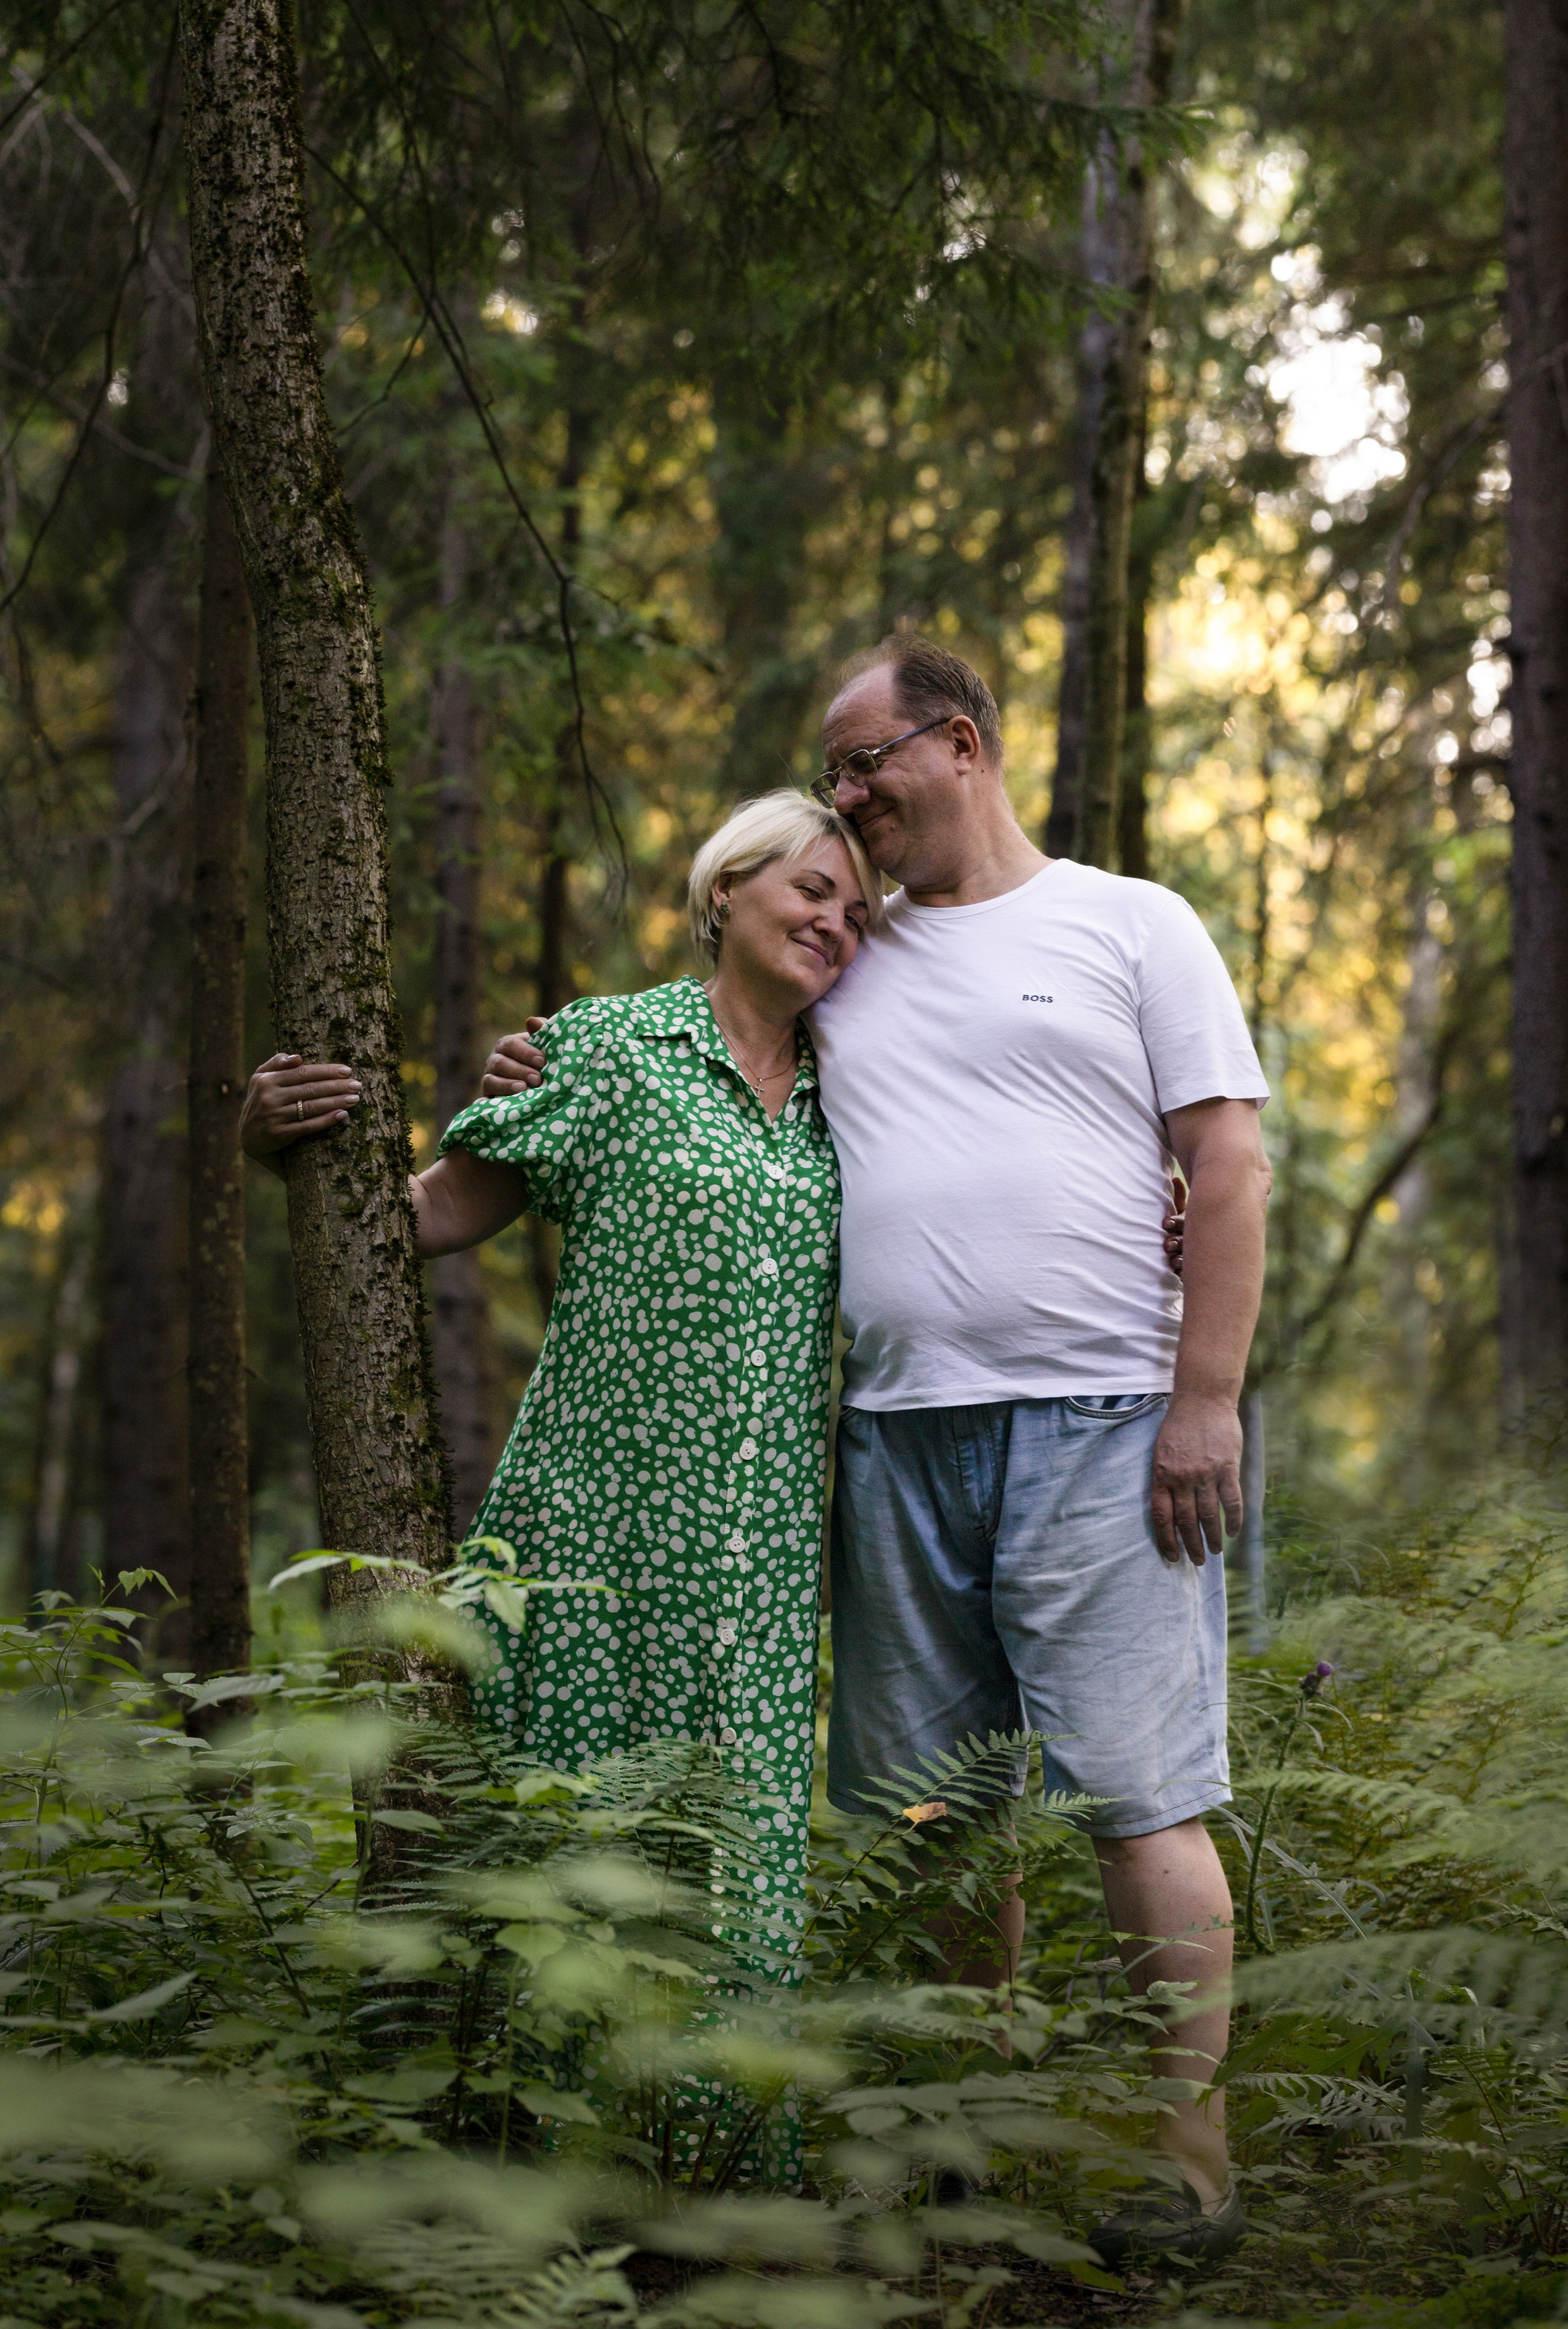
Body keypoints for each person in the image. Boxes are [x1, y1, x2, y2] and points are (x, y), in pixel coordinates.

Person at [483, 636, 1269, 2263]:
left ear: (959, 744)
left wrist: (1205, 1399)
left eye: (865, 768)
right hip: (892, 1441)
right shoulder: (850, 949)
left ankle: (1181, 2165)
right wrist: (531, 1072)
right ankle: (955, 2145)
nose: (847, 806)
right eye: (830, 782)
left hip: (1107, 1425)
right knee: (929, 1819)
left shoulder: (1132, 924)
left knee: (1137, 1800)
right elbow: (715, 1058)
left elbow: (1226, 1163)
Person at [238, 793, 884, 2008]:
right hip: (587, 1545)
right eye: (811, 891)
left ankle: (715, 2178)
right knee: (569, 1862)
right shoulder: (602, 1050)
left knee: (734, 1881)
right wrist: (278, 1141)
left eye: (856, 914)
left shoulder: (857, 1103)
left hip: (757, 1567)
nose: (834, 924)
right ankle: (539, 2162)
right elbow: (422, 1219)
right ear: (725, 892)